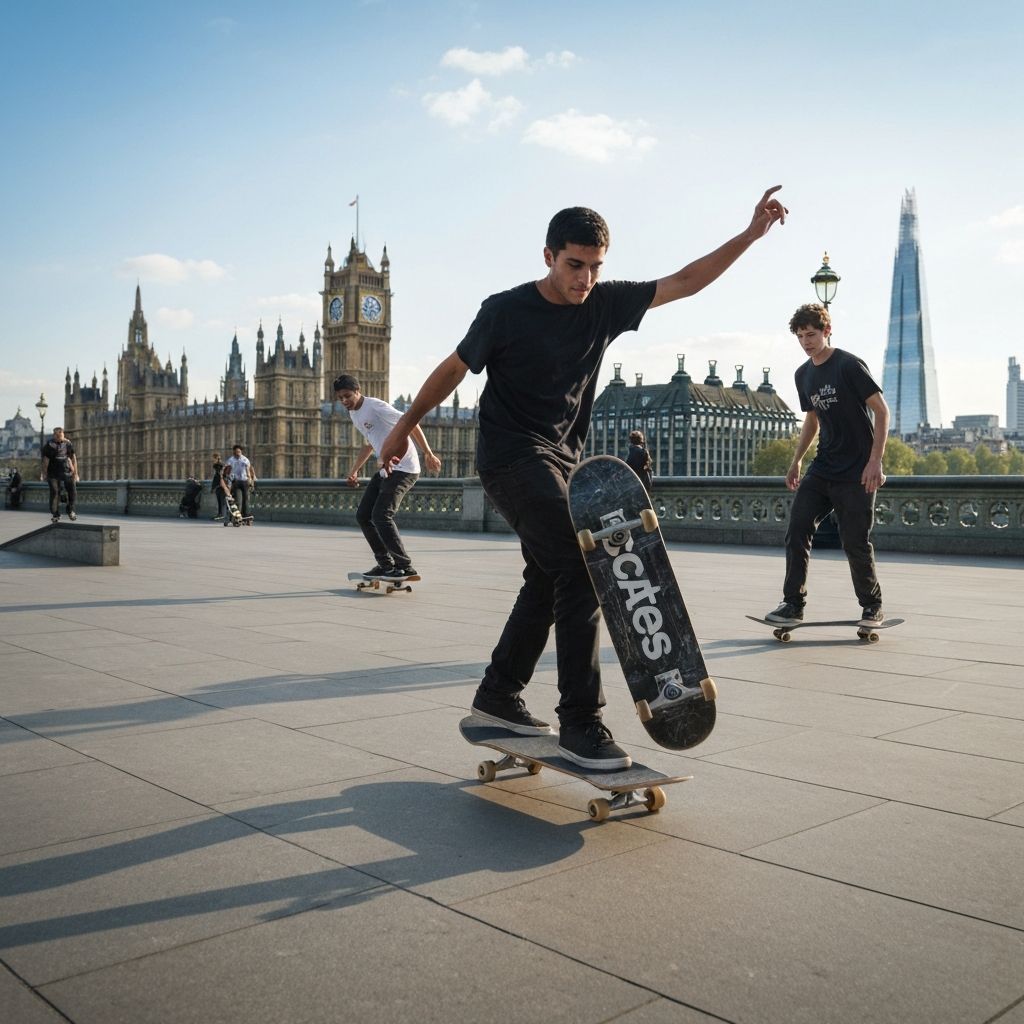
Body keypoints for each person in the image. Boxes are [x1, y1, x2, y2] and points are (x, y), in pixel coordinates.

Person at [379, 188, 787, 771]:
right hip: (509, 457)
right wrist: (404, 430)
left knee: (548, 578)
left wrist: (749, 235)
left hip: (565, 462)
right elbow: (452, 369)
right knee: (579, 564)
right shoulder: (505, 310)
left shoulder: (604, 304)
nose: (586, 279)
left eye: (596, 267)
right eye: (575, 265)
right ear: (548, 255)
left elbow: (685, 281)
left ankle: (498, 695)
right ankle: (581, 721)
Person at [764, 303, 889, 628]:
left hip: (856, 472)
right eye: (801, 336)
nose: (807, 341)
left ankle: (871, 606)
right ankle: (793, 604)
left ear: (827, 331)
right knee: (797, 531)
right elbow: (812, 418)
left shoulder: (848, 365)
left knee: (854, 541)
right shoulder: (803, 375)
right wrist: (797, 460)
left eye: (812, 334)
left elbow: (882, 411)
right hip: (822, 469)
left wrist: (875, 461)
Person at [333, 373, 442, 578]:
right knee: (363, 516)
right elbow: (369, 443)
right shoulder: (354, 414)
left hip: (405, 468)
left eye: (347, 396)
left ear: (358, 391)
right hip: (387, 469)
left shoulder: (375, 407)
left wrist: (428, 452)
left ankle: (404, 566)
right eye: (340, 398)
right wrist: (354, 470)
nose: (344, 401)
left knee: (381, 515)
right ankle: (385, 564)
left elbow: (411, 422)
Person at [40, 426, 79, 523]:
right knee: (54, 492)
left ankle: (71, 510)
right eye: (56, 435)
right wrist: (44, 473)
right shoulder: (49, 446)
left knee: (72, 490)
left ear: (63, 434)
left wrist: (75, 473)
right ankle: (55, 513)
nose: (58, 437)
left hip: (66, 470)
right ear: (53, 435)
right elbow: (45, 461)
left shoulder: (68, 444)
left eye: (60, 434)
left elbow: (73, 459)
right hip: (53, 472)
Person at [224, 444, 255, 523]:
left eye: (238, 452)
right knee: (238, 501)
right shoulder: (231, 460)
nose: (237, 453)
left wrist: (250, 480)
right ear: (233, 452)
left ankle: (247, 517)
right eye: (235, 452)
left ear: (241, 452)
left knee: (246, 501)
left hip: (244, 482)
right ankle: (238, 517)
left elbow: (248, 470)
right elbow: (227, 470)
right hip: (236, 482)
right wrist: (228, 479)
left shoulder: (245, 460)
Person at [625, 429, 653, 494]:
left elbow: (628, 468)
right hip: (644, 484)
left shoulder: (634, 452)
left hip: (636, 485)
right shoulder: (644, 451)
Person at [210, 453, 228, 521]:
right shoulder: (219, 466)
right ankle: (221, 514)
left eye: (213, 458)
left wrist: (213, 487)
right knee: (221, 501)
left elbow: (219, 477)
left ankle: (222, 514)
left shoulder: (219, 466)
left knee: (222, 500)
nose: (212, 460)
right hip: (220, 485)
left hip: (221, 485)